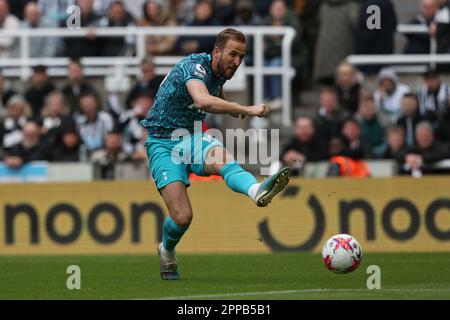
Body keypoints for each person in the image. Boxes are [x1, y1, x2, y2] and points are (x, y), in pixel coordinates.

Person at [139, 28, 292, 280]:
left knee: (222, 158)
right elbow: (202, 100)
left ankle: (256, 191)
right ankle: (166, 251)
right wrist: (245, 108)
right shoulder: (194, 67)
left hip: (192, 136)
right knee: (182, 217)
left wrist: (230, 109)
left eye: (242, 57)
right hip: (162, 142)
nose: (237, 62)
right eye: (233, 54)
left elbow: (214, 91)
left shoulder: (220, 71)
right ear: (217, 52)